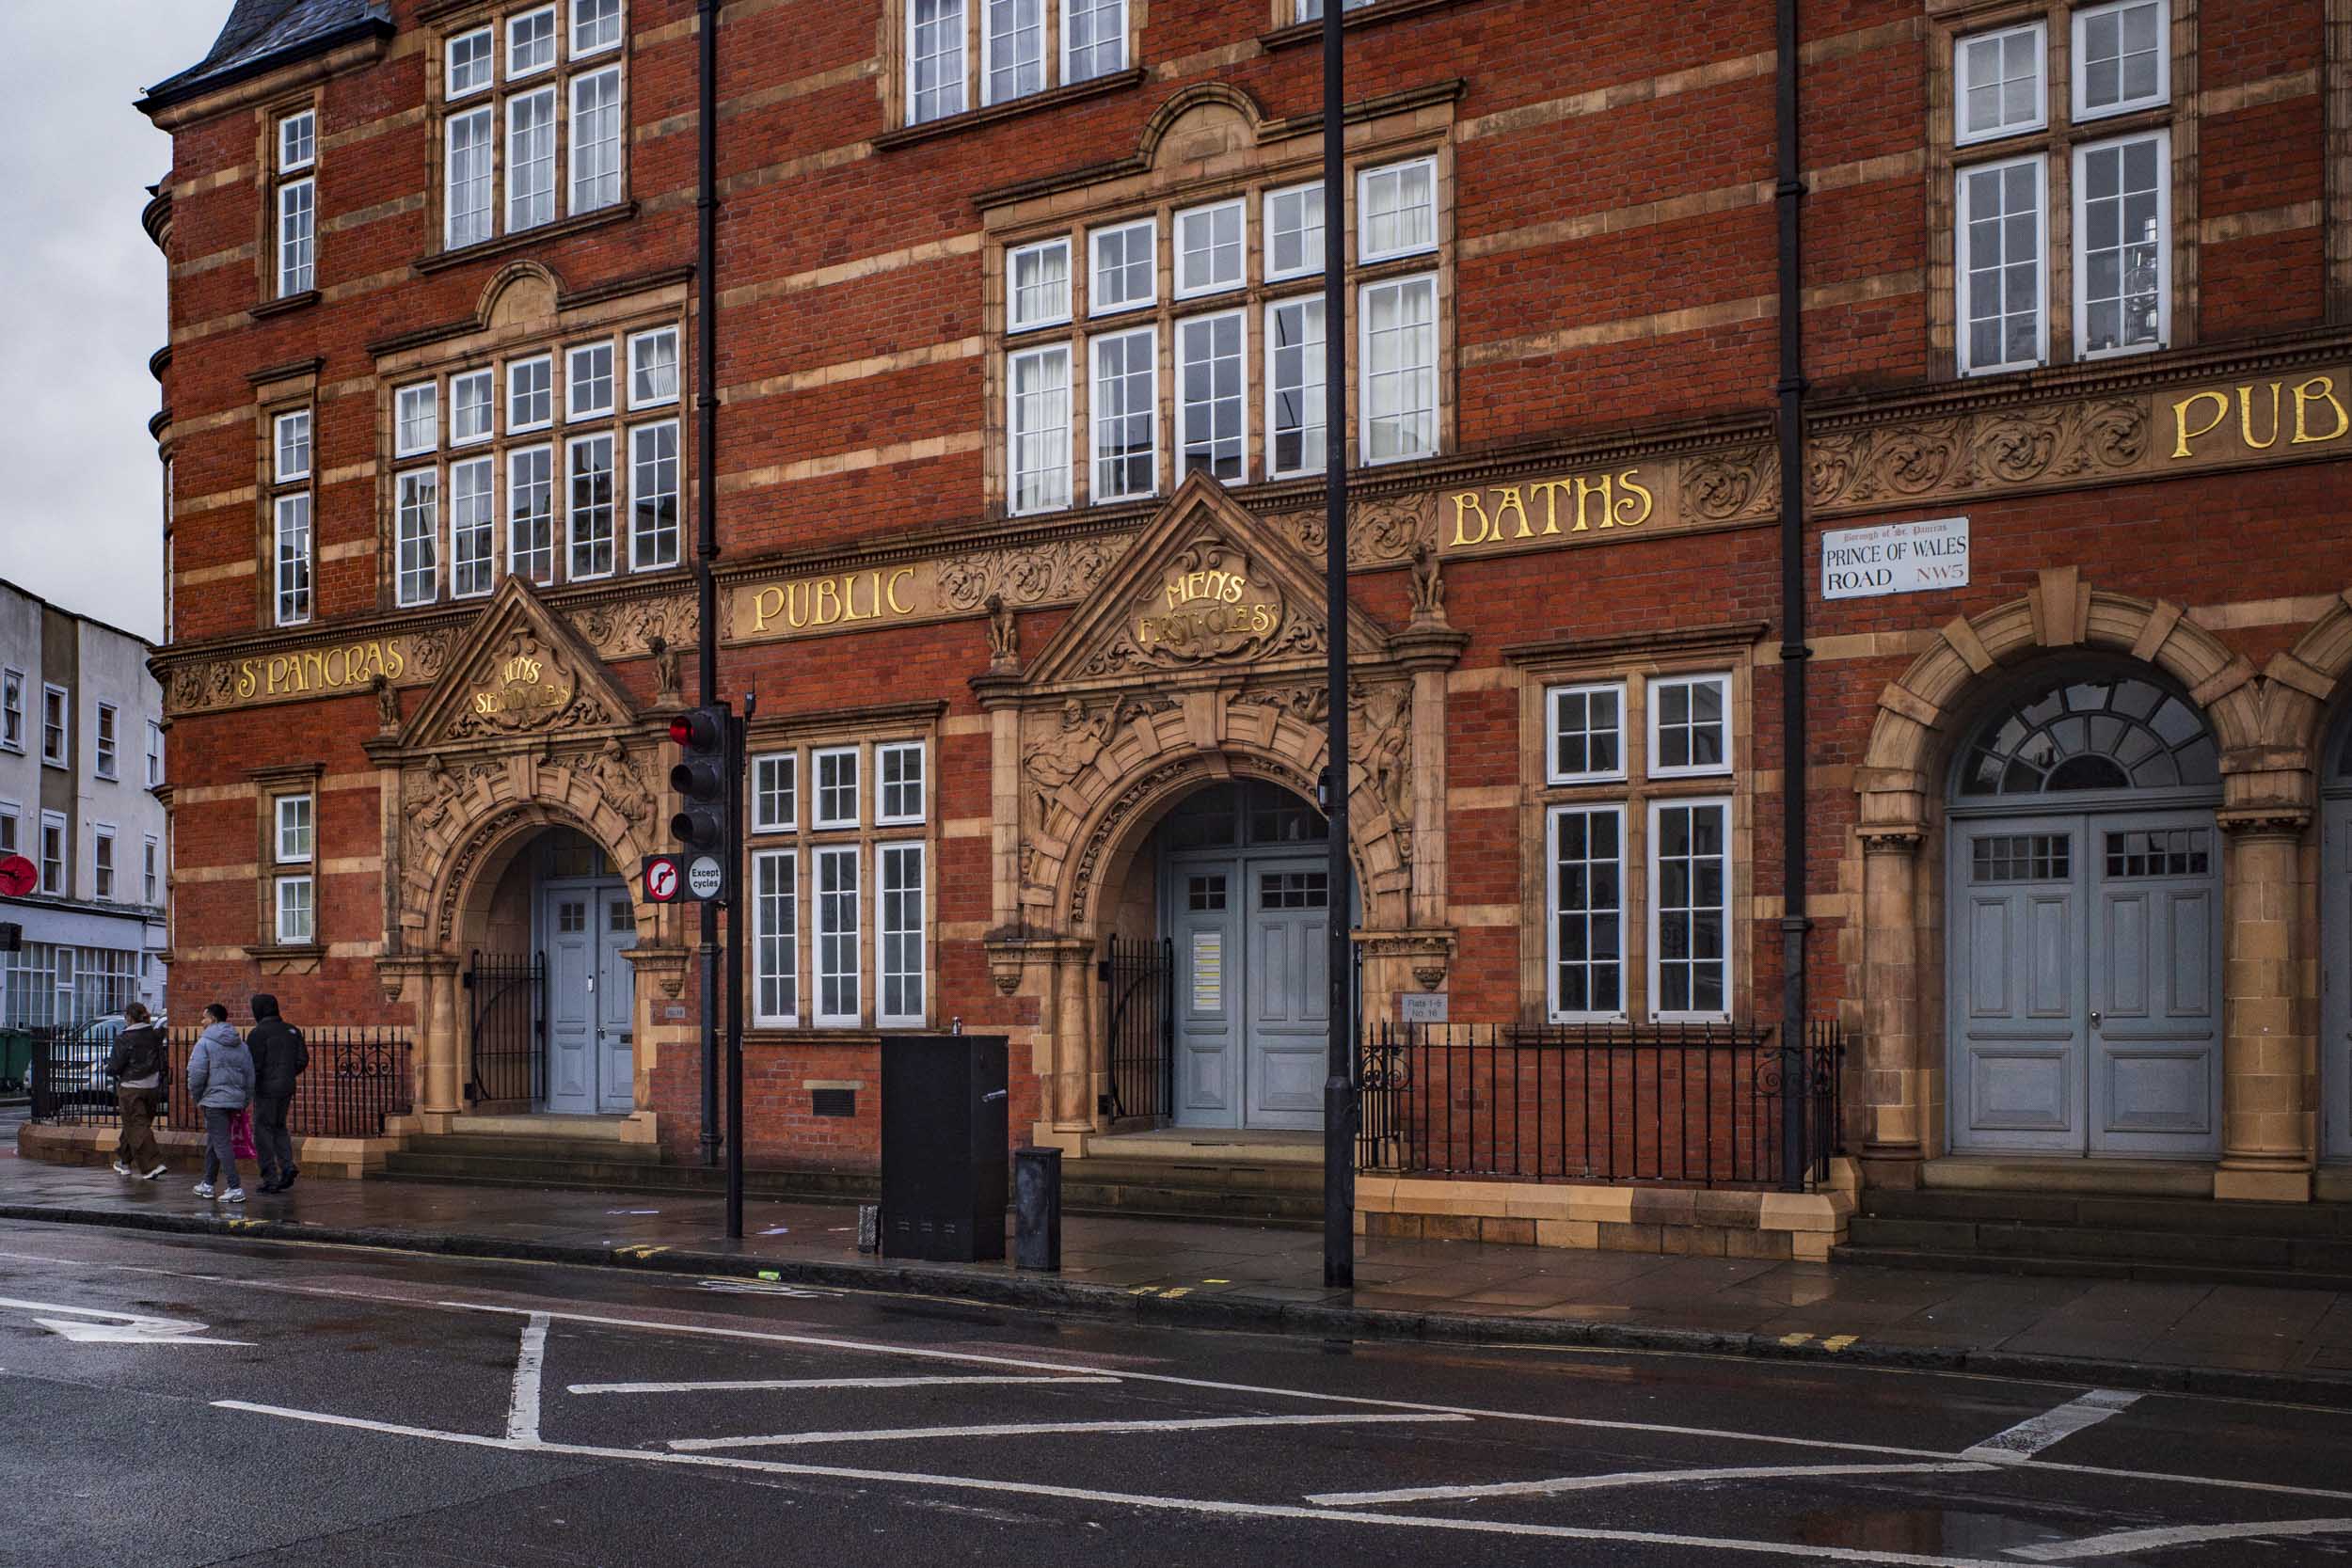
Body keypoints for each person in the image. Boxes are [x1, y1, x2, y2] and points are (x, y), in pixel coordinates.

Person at [184, 1004, 254, 1203]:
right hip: (234, 1100)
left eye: (204, 1018)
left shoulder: (204, 1043)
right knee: (215, 1141)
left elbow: (196, 1075)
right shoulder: (241, 1045)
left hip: (214, 1101)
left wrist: (197, 1097)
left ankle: (234, 1187)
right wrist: (245, 1099)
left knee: (221, 1143)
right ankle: (207, 1183)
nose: (202, 1021)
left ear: (213, 1019)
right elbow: (250, 1076)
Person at [246, 992, 308, 1194]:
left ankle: (270, 1177)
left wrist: (250, 1087)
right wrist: (287, 1074)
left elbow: (253, 1065)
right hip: (286, 1087)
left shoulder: (258, 1033)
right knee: (280, 1127)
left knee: (263, 1132)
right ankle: (287, 1165)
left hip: (265, 1089)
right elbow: (302, 1060)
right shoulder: (292, 1030)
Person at [105, 1003, 170, 1181]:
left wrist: (109, 1069)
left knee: (137, 1126)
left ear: (128, 1017)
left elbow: (115, 1067)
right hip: (153, 1087)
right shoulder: (155, 1035)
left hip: (131, 1088)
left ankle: (152, 1166)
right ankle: (124, 1162)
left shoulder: (123, 1039)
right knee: (135, 1125)